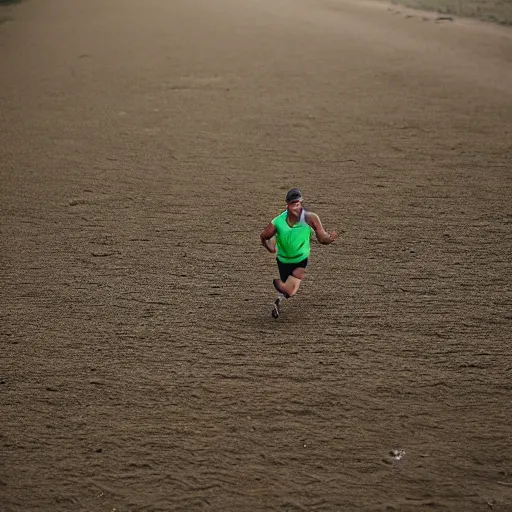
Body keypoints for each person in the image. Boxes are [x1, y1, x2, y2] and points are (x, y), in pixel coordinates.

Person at [260, 188, 338, 318]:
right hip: (283, 260)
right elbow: (263, 236)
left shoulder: (310, 218)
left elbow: (322, 237)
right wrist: (270, 248)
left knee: (291, 287)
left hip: (300, 259)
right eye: (293, 204)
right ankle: (280, 297)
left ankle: (280, 298)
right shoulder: (277, 222)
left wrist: (329, 238)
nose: (296, 207)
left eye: (298, 203)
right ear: (287, 205)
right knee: (290, 290)